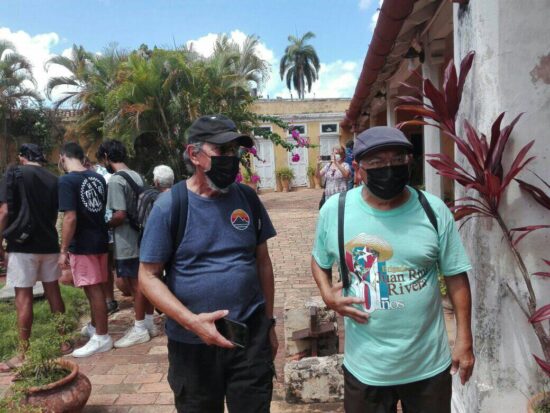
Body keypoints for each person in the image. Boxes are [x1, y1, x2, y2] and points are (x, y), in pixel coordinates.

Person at [311, 126, 474, 413]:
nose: (388, 168)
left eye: (397, 159)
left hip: (427, 367)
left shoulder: (433, 210)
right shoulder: (334, 212)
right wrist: (327, 294)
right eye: (376, 162)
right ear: (358, 169)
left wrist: (464, 339)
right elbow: (319, 261)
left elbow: (456, 276)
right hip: (366, 368)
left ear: (409, 162)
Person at [139, 114, 278, 413]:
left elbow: (263, 263)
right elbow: (148, 277)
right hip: (192, 345)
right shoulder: (169, 206)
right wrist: (192, 322)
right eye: (222, 150)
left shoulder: (247, 199)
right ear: (194, 154)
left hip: (248, 338)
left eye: (234, 152)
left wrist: (268, 323)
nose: (231, 158)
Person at [0, 144, 68, 371]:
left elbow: (5, 212)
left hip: (22, 245)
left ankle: (23, 354)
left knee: (24, 297)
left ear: (22, 157)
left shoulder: (14, 172)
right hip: (48, 243)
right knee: (53, 292)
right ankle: (64, 341)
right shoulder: (53, 178)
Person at [96, 139, 157, 348]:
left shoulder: (115, 181)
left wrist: (103, 223)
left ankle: (139, 328)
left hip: (126, 240)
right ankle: (148, 323)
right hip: (143, 236)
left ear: (106, 157)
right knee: (144, 281)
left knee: (135, 284)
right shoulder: (137, 175)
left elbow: (120, 214)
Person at [57, 142, 113, 357]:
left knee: (93, 289)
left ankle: (102, 336)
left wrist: (63, 248)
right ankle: (94, 327)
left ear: (63, 158)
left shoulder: (66, 181)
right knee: (96, 286)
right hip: (100, 239)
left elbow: (70, 217)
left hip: (82, 243)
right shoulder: (97, 178)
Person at [318, 145, 351, 209]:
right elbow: (318, 176)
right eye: (333, 153)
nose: (334, 155)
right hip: (328, 195)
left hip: (340, 195)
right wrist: (318, 165)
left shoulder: (345, 165)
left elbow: (346, 175)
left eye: (337, 153)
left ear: (342, 155)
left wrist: (337, 163)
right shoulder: (328, 165)